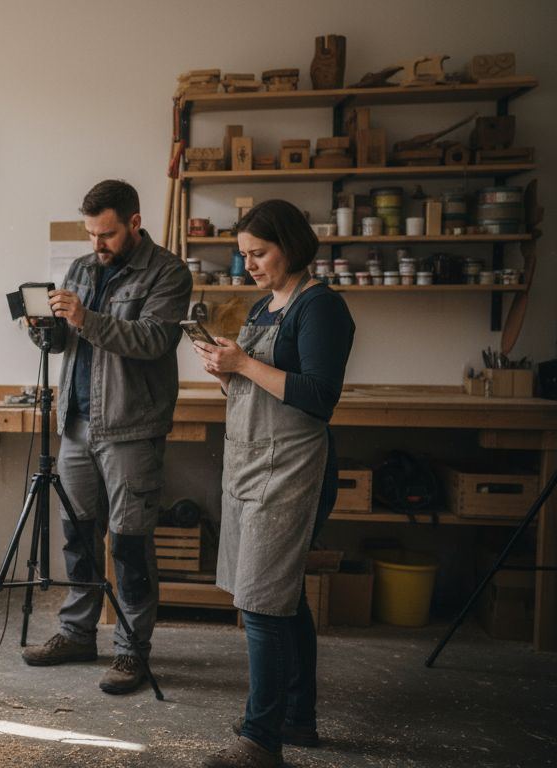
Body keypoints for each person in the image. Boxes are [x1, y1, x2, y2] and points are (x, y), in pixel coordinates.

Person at [190, 199, 355, 768]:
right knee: (284, 600)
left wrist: (243, 365)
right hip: (251, 463)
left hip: (291, 469)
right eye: (244, 256)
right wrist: (225, 371)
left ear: (291, 245)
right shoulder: (264, 306)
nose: (249, 266)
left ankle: (261, 739)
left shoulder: (320, 307)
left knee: (262, 604)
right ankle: (297, 717)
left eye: (258, 253)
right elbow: (257, 387)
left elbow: (318, 397)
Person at [20, 179, 192, 696]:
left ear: (135, 222)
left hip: (130, 429)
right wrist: (45, 328)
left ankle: (131, 650)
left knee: (130, 543)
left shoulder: (168, 272)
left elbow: (153, 339)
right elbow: (67, 340)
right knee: (79, 537)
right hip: (75, 424)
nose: (97, 244)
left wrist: (85, 318)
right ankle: (77, 634)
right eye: (91, 233)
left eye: (108, 234)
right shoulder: (80, 268)